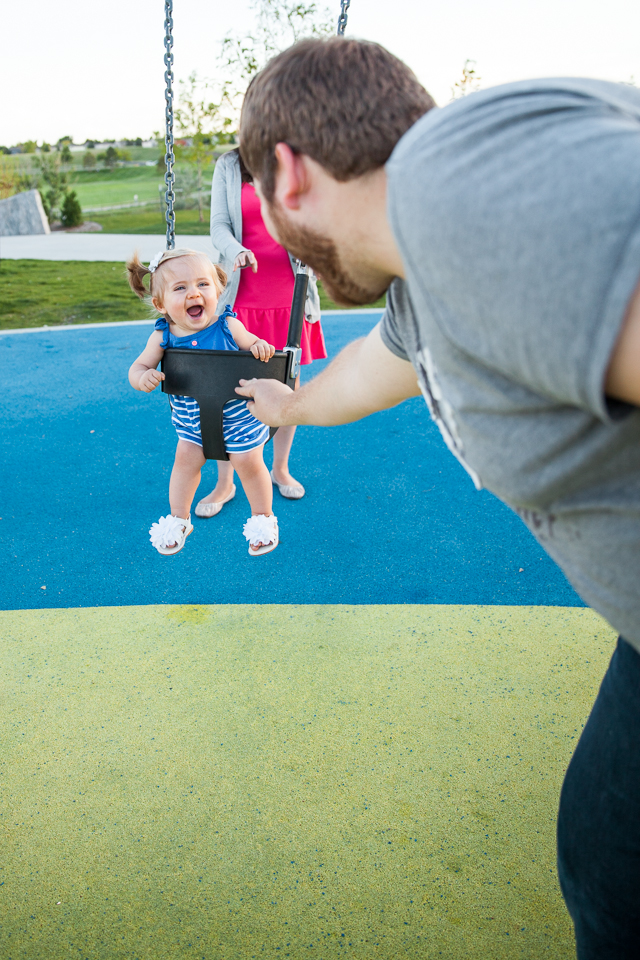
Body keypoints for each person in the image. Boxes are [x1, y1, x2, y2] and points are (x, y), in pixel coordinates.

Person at [235, 37, 640, 959]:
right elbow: (371, 374)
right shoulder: (431, 272)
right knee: (608, 848)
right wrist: (288, 402)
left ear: (288, 176)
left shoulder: (459, 194)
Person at [196, 146, 326, 518]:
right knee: (228, 389)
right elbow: (219, 225)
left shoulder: (298, 159)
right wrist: (234, 249)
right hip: (241, 292)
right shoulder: (229, 165)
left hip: (290, 291)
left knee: (288, 387)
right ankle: (226, 481)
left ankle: (279, 467)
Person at [127, 247, 279, 557]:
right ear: (160, 304)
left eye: (202, 284)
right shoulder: (162, 336)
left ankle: (263, 520)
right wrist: (142, 377)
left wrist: (261, 347)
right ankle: (179, 519)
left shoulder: (228, 326)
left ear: (218, 289)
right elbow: (138, 367)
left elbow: (255, 344)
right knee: (184, 462)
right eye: (180, 288)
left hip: (238, 421)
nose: (194, 293)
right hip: (192, 428)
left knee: (248, 463)